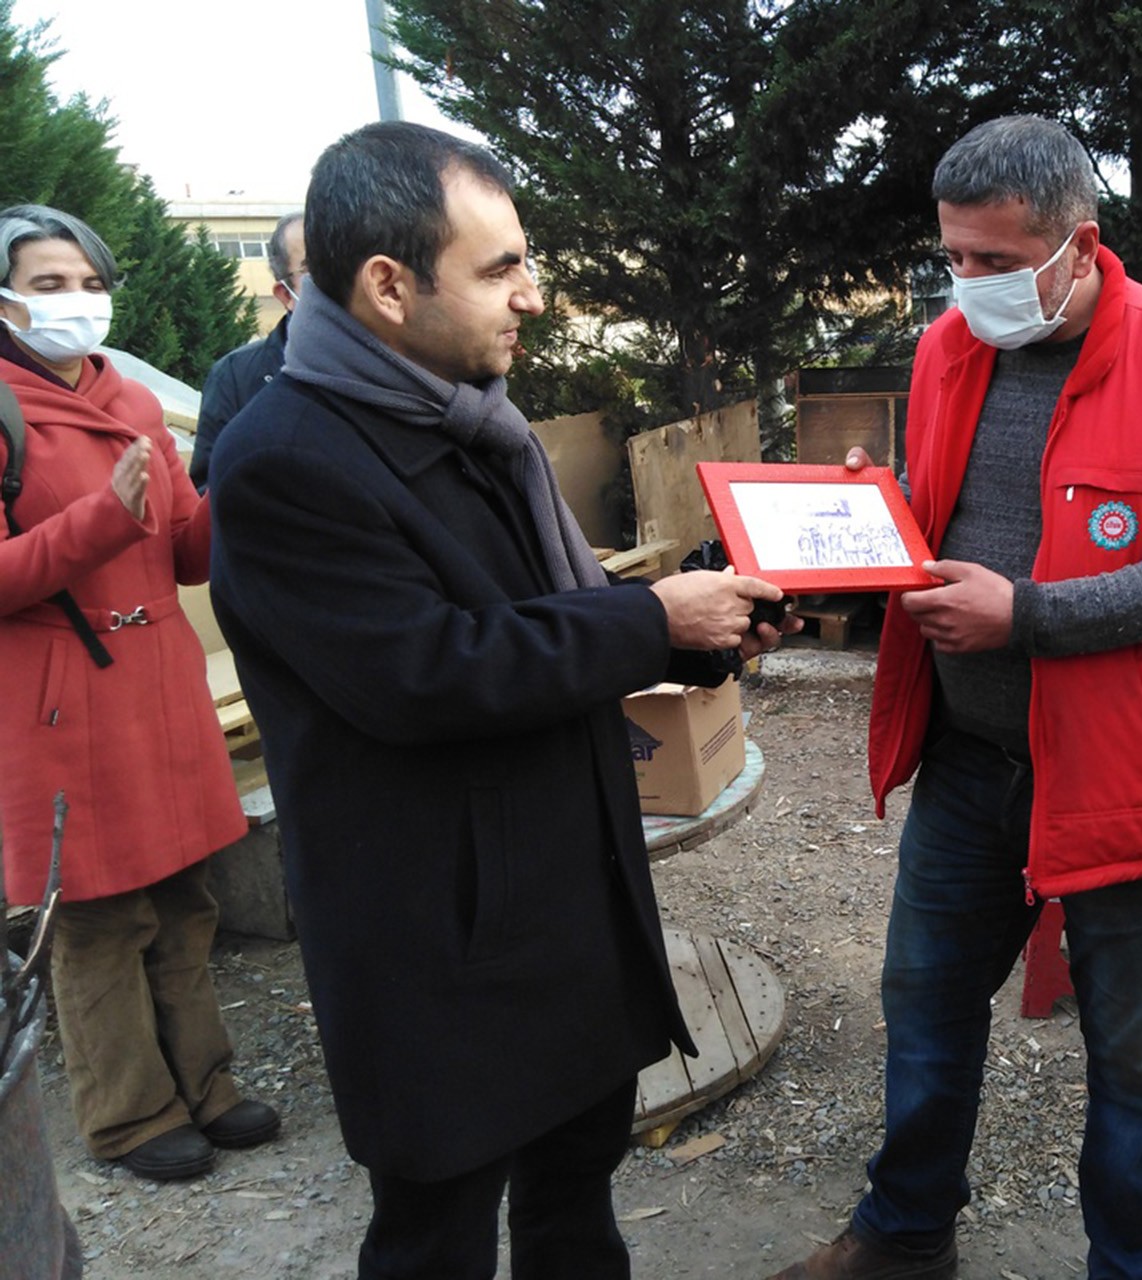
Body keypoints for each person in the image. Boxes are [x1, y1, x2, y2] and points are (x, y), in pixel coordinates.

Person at [207, 123, 793, 1279]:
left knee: (577, 1207)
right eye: (500, 268)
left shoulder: (475, 419)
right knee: (439, 1238)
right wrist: (651, 619)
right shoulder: (286, 456)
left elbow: (543, 629)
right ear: (387, 285)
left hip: (566, 908)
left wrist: (712, 632)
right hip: (439, 945)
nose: (532, 296)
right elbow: (427, 670)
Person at [766, 116, 1142, 1280]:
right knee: (926, 999)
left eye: (995, 261)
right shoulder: (949, 349)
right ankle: (905, 1231)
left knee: (1131, 1056)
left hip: (1125, 771)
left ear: (1079, 245)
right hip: (974, 754)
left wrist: (1025, 614)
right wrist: (855, 528)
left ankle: (1129, 1265)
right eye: (954, 258)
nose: (968, 285)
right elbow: (934, 511)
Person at [0, 204, 280, 1182]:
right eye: (46, 283)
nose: (74, 301)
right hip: (58, 705)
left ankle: (206, 1087)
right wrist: (99, 521)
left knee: (183, 896)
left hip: (157, 689)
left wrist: (238, 487)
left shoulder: (128, 398)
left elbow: (189, 549)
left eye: (85, 280)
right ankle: (127, 1115)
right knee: (96, 917)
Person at [189, 212, 304, 491]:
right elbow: (208, 490)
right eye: (318, 269)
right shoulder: (235, 376)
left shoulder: (402, 360)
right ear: (285, 294)